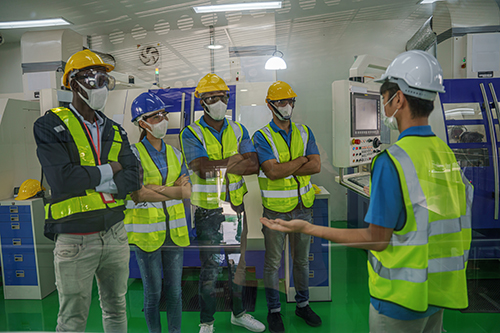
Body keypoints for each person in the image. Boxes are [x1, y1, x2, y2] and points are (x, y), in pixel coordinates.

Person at [261, 50, 473, 333]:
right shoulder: (446, 153)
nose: (382, 104)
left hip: (401, 297)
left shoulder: (393, 161)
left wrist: (309, 228)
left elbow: (376, 239)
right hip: (438, 293)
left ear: (398, 99)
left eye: (382, 97)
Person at [33, 49, 140, 332]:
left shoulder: (116, 130)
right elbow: (63, 180)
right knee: (72, 319)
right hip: (74, 238)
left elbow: (134, 178)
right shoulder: (49, 125)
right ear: (73, 83)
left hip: (115, 234)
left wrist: (92, 178)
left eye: (105, 79)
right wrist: (110, 170)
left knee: (117, 308)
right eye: (92, 78)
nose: (100, 85)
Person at [180, 73, 265, 333]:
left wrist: (228, 164)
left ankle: (239, 314)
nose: (219, 102)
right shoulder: (191, 133)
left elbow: (254, 164)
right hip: (208, 212)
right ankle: (207, 321)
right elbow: (203, 168)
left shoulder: (239, 128)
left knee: (238, 265)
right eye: (212, 97)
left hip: (236, 210)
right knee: (210, 269)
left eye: (223, 97)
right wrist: (236, 161)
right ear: (203, 102)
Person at [252, 81, 322, 333]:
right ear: (270, 105)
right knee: (273, 264)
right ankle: (274, 311)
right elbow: (272, 171)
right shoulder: (261, 137)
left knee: (301, 262)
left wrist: (292, 165)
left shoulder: (304, 132)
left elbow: (316, 166)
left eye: (290, 101)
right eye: (281, 102)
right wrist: (302, 159)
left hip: (303, 207)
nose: (287, 106)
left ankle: (302, 305)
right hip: (275, 211)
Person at [124, 92, 191, 333]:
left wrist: (156, 189)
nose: (163, 119)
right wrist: (174, 189)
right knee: (153, 294)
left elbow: (187, 192)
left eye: (164, 114)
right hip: (147, 237)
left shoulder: (175, 153)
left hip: (174, 234)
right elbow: (138, 194)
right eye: (155, 116)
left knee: (175, 292)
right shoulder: (133, 154)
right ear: (142, 123)